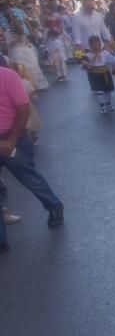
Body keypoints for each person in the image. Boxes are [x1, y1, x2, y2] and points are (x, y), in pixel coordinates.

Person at [0, 61, 63, 253]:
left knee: (29, 177)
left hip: (12, 138)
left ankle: (54, 206)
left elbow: (23, 108)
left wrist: (11, 141)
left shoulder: (7, 76)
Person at [82, 35, 115, 114]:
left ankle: (108, 104)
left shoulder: (105, 53)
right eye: (94, 45)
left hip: (105, 74)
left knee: (107, 91)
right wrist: (86, 64)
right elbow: (84, 66)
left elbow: (113, 60)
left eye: (98, 45)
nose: (97, 47)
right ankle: (102, 106)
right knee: (99, 92)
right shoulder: (88, 55)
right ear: (90, 46)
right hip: (95, 75)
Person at [6, 26, 49, 92]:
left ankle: (37, 84)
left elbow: (26, 41)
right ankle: (29, 86)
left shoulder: (22, 31)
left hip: (24, 50)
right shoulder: (8, 33)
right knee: (23, 67)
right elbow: (9, 45)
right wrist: (16, 40)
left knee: (32, 66)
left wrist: (24, 41)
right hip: (16, 52)